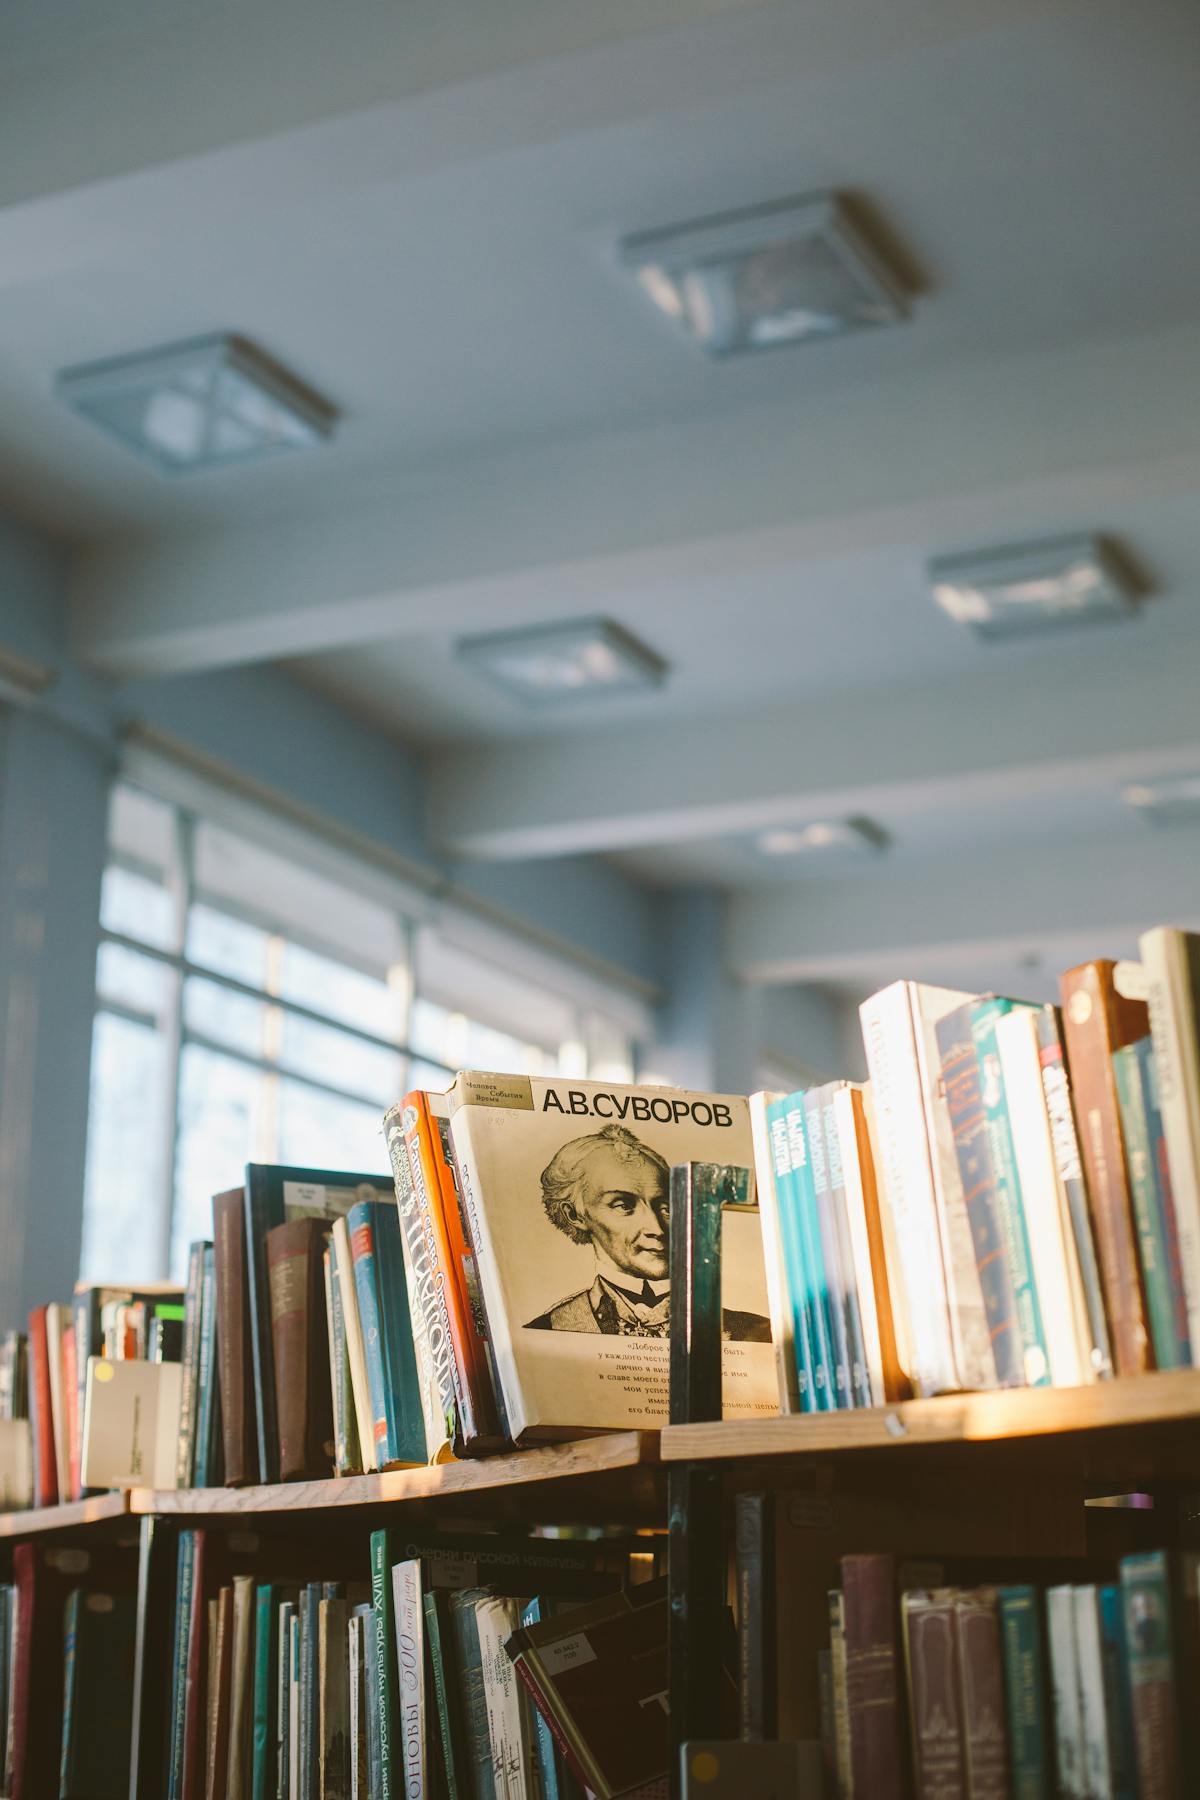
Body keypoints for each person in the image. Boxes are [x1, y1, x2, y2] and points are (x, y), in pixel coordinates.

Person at [525, 1122, 770, 1340]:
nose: (656, 1229)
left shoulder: (753, 1333)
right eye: (623, 1206)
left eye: (665, 1207)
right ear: (575, 1215)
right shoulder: (545, 1332)